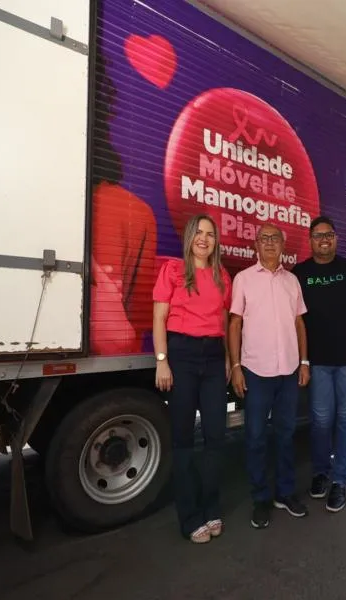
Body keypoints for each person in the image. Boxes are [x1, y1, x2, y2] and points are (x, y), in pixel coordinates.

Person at [152, 213, 232, 544]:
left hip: (214, 357)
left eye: (210, 234)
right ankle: (189, 516)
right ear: (189, 237)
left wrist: (228, 357)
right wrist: (162, 362)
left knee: (216, 435)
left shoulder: (222, 275)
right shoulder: (172, 270)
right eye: (198, 232)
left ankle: (211, 506)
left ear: (216, 241)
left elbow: (224, 319)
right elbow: (159, 317)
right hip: (181, 355)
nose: (204, 238)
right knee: (183, 440)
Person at [228, 224, 311, 529]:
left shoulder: (292, 281)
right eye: (264, 239)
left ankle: (285, 494)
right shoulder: (244, 280)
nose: (270, 243)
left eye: (275, 239)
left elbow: (300, 324)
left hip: (289, 371)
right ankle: (261, 498)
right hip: (256, 371)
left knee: (286, 436)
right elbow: (234, 324)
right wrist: (236, 366)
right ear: (256, 245)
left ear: (283, 244)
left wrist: (303, 362)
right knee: (255, 438)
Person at [292, 215, 346, 513]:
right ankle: (320, 472)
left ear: (335, 239)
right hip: (317, 362)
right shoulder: (299, 273)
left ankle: (339, 479)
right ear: (310, 239)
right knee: (320, 421)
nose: (323, 240)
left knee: (345, 419)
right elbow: (294, 318)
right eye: (318, 235)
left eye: (328, 234)